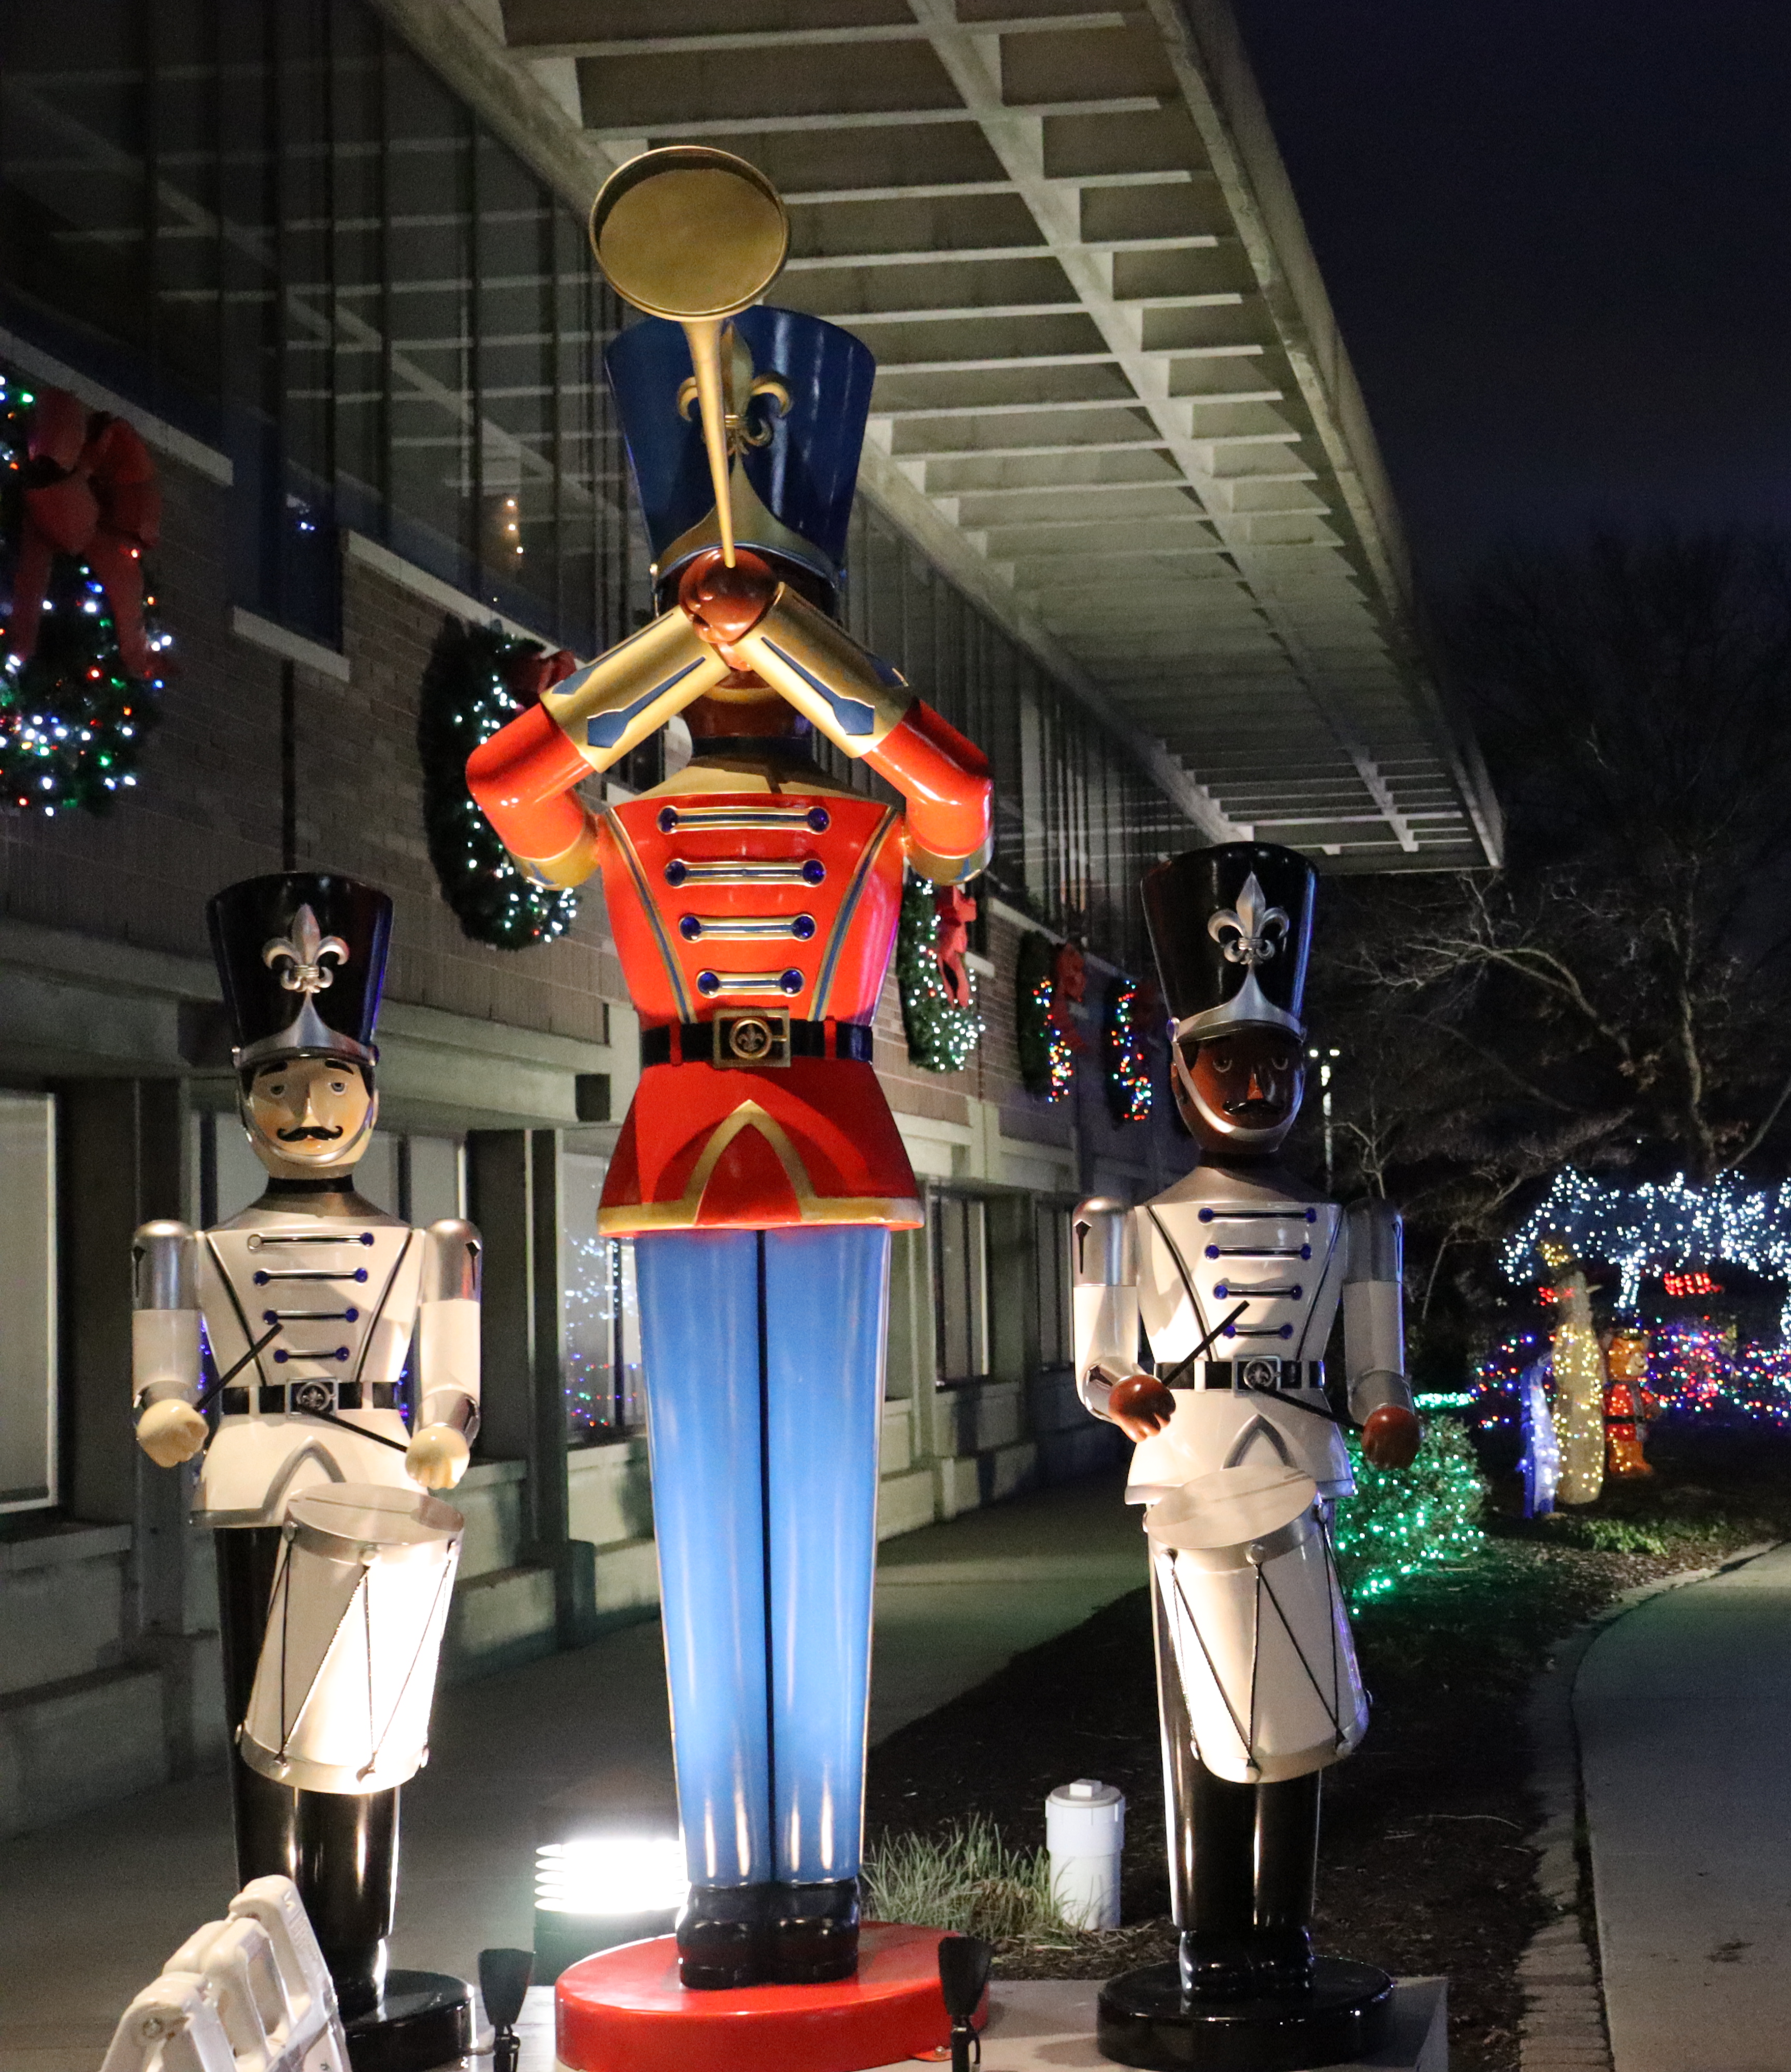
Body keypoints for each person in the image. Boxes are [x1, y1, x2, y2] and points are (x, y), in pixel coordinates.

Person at [466, 299, 991, 1990]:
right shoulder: (622, 796)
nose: (748, 656)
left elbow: (967, 806)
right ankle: (727, 1883)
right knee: (709, 1520)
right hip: (690, 1142)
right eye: (719, 620)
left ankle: (815, 1877)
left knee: (818, 1523)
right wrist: (671, 650)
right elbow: (506, 794)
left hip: (830, 1141)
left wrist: (799, 642)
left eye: (774, 619)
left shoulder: (872, 803)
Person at [1073, 843, 1416, 2062]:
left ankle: (1290, 1927)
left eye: (1276, 1061)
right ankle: (1212, 1931)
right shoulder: (1126, 1226)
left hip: (1300, 1468)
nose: (1256, 1080)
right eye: (1231, 1058)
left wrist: (1383, 1406)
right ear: (1183, 1069)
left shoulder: (1348, 1223)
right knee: (1206, 1724)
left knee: (1303, 1721)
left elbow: (1376, 1360)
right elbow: (1097, 1359)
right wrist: (1121, 1391)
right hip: (1191, 1472)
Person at [132, 872, 480, 2068]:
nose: (309, 1104)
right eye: (281, 1084)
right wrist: (168, 1406)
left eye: (334, 1082)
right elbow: (164, 1368)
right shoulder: (197, 1247)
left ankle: (357, 1948)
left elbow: (454, 1368)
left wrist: (446, 1423)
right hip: (252, 1475)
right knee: (260, 1738)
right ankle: (268, 1944)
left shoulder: (424, 1243)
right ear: (245, 1106)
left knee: (368, 1739)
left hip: (378, 1482)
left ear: (372, 1098)